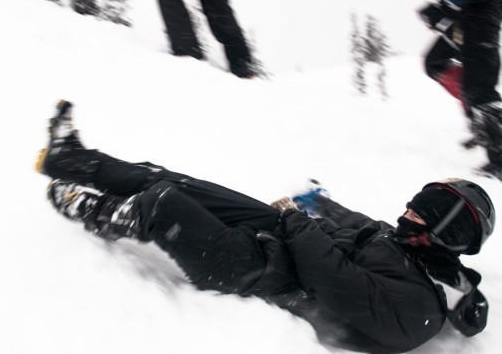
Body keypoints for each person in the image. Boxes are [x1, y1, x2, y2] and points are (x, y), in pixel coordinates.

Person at [36, 100, 495, 353]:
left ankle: (85, 207)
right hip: (278, 235)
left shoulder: (418, 310)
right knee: (176, 182)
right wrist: (317, 203)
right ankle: (70, 159)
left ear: (446, 231)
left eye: (424, 209)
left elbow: (332, 280)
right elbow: (354, 223)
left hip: (257, 269)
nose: (409, 210)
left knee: (164, 204)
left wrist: (297, 220)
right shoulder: (406, 245)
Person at [418, 0, 502, 180]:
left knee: (479, 84)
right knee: (437, 62)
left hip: (482, 2)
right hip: (469, 3)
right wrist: (448, 8)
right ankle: (481, 123)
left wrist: (448, 5)